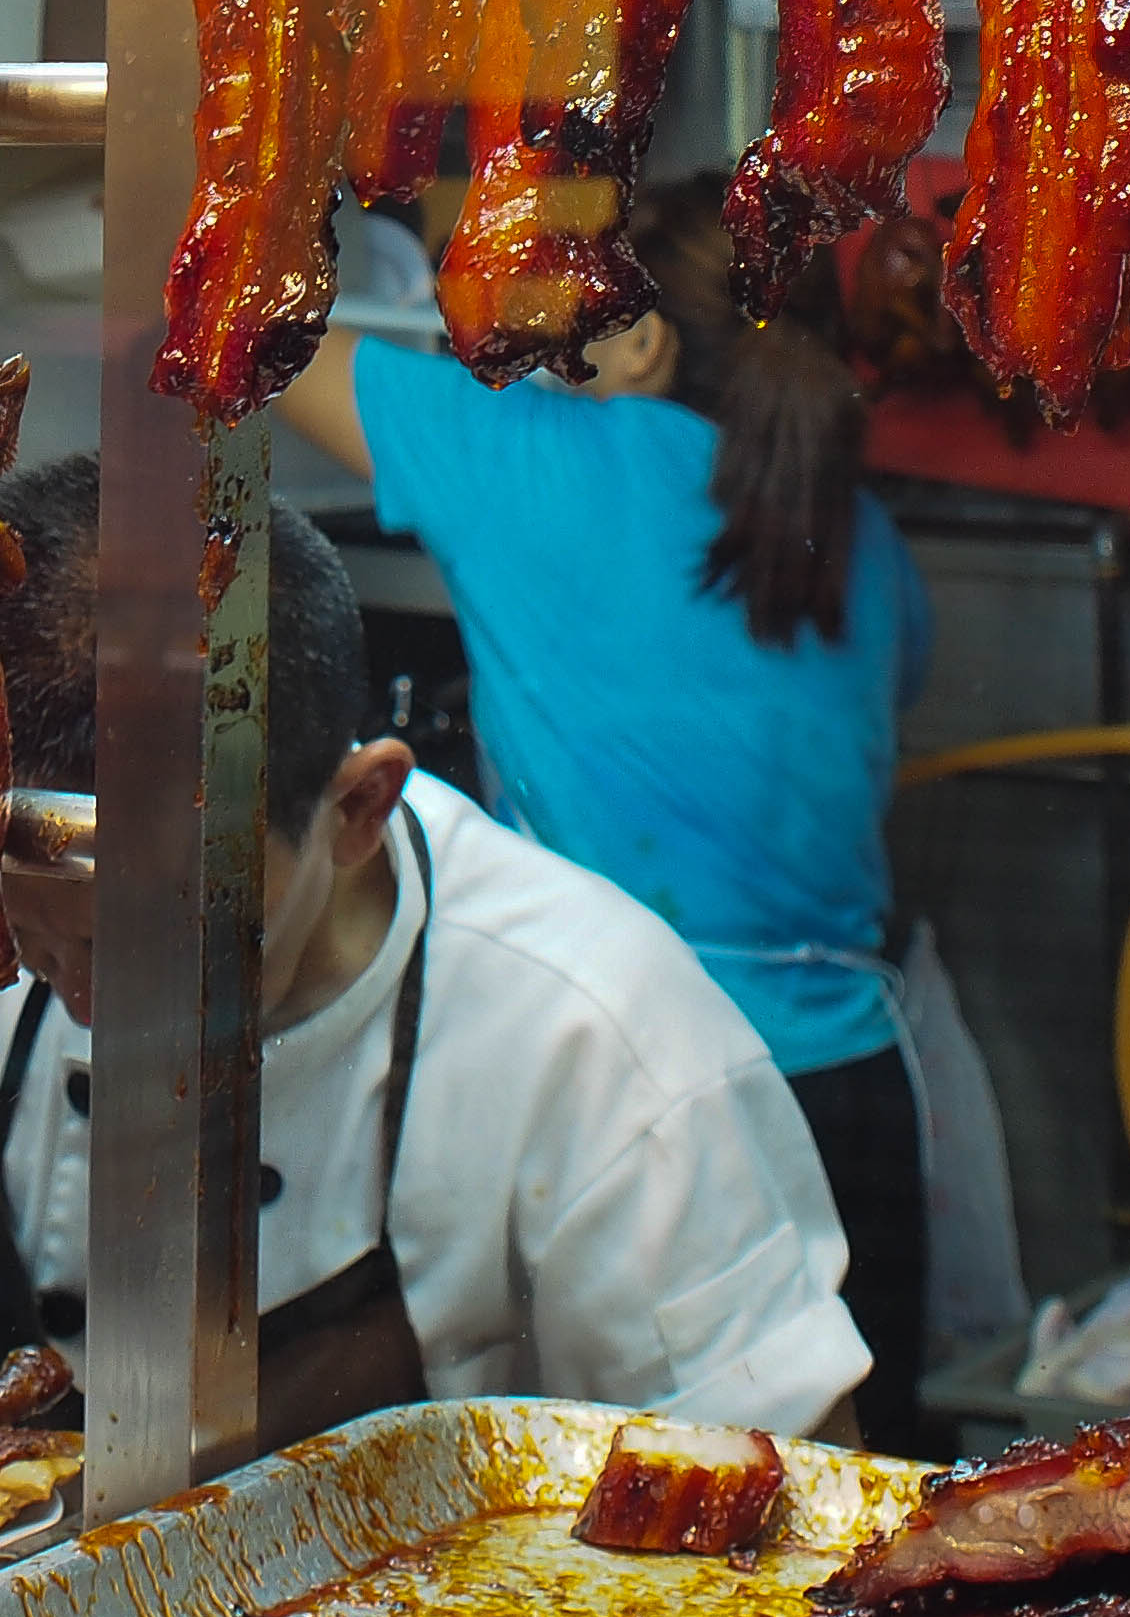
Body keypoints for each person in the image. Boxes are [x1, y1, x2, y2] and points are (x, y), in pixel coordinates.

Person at [0, 452, 866, 1444]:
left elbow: (783, 1501)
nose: (98, 1003)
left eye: (162, 942)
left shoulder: (597, 1036)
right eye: (42, 943)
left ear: (357, 810)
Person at [277, 180, 937, 1448]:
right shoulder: (860, 533)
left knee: (591, 1527)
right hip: (855, 1097)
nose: (544, 330)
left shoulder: (541, 460)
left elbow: (257, 332)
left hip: (635, 1100)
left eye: (573, 301)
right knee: (855, 1534)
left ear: (640, 341)